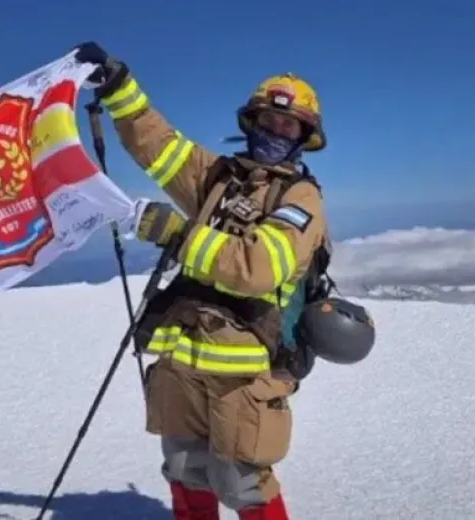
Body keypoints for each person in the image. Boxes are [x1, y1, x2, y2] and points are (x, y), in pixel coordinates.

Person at [73, 41, 358, 520]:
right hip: (182, 355)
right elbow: (158, 146)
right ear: (253, 122)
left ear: (303, 135)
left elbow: (257, 268)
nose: (276, 129)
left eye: (289, 124)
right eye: (269, 119)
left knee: (243, 483)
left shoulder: (301, 198)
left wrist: (179, 235)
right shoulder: (218, 179)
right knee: (184, 468)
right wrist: (120, 89)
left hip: (245, 373)